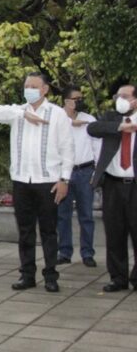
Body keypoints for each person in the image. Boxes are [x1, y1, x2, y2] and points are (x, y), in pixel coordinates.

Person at [0, 72, 73, 293]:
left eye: (34, 86)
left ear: (45, 89)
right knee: (25, 231)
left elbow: (67, 149)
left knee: (48, 231)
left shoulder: (57, 114)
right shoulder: (17, 112)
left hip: (48, 181)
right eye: (27, 86)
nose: (29, 90)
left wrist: (64, 179)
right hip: (21, 181)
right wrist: (22, 113)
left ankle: (51, 276)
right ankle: (27, 274)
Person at [87, 84, 137, 292]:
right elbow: (93, 128)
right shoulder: (111, 117)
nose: (120, 100)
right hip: (113, 184)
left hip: (134, 186)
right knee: (114, 233)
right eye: (118, 96)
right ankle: (118, 278)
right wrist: (120, 128)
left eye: (125, 96)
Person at [57, 86, 100, 267]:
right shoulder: (57, 118)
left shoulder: (89, 120)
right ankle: (64, 251)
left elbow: (97, 146)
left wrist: (96, 173)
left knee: (86, 215)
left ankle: (87, 253)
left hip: (85, 171)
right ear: (66, 101)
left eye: (81, 98)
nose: (79, 101)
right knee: (62, 215)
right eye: (76, 98)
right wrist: (69, 123)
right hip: (64, 173)